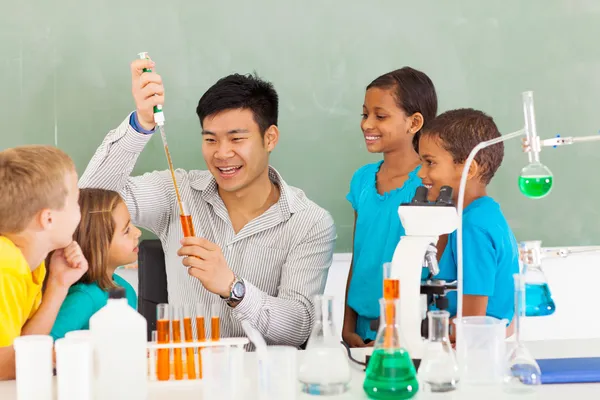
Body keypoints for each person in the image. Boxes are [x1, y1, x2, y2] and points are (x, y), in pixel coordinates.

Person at [79, 57, 336, 347]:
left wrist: (233, 288)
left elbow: (299, 328)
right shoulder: (176, 191)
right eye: (211, 140)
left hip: (260, 383)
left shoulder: (309, 222)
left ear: (270, 138)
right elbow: (89, 201)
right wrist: (142, 124)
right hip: (183, 380)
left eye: (236, 139)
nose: (222, 153)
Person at [343, 67, 438, 347]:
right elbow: (358, 257)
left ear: (414, 122)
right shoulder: (362, 180)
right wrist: (347, 328)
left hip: (406, 332)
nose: (366, 124)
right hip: (361, 329)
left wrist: (396, 336)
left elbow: (433, 269)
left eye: (380, 116)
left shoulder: (429, 184)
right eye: (365, 114)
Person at [417, 108, 519, 335]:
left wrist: (405, 331)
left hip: (471, 355)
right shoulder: (478, 216)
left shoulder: (473, 226)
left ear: (468, 169)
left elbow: (472, 323)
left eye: (430, 163)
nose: (420, 173)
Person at [0, 145, 88, 380]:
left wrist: (59, 285)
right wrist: (72, 353)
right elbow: (1, 366)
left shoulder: (28, 264)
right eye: (76, 201)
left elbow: (20, 348)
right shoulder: (4, 267)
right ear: (48, 218)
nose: (80, 211)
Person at [50, 188, 141, 340]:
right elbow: (46, 345)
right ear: (97, 243)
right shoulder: (82, 298)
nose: (138, 232)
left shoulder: (126, 290)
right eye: (126, 230)